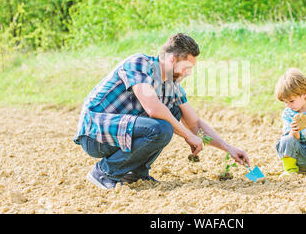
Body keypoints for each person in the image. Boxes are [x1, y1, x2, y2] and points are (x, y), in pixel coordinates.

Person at [73, 33, 250, 189]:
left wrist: (229, 148)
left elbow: (194, 123)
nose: (188, 73)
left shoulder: (172, 86)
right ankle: (104, 172)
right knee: (161, 127)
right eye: (186, 67)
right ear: (172, 59)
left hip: (120, 134)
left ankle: (134, 172)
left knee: (173, 113)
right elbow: (153, 108)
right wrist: (187, 135)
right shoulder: (139, 63)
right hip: (95, 134)